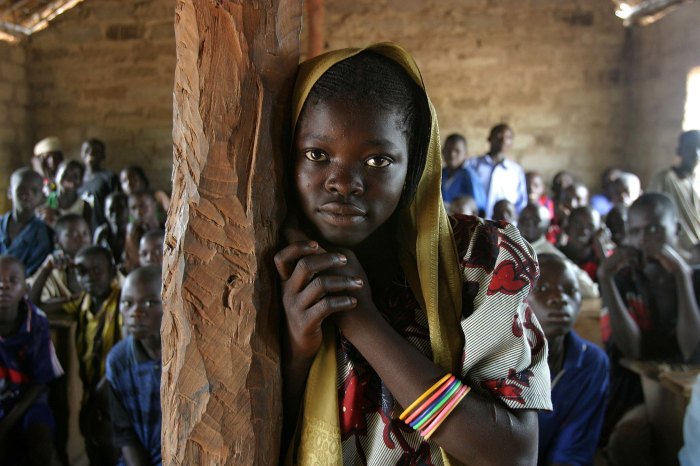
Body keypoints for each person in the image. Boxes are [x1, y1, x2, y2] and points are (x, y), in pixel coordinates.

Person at [275, 44, 550, 465]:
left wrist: (360, 319)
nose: (344, 182)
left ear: (415, 165)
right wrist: (298, 352)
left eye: (377, 160)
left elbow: (514, 453)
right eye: (317, 155)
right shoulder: (269, 267)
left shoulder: (481, 259)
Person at [599, 194, 700, 460]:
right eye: (635, 231)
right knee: (629, 441)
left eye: (655, 229)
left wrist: (682, 276)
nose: (644, 240)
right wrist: (605, 277)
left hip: (691, 387)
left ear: (676, 230)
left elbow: (692, 350)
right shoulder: (625, 279)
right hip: (637, 391)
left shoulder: (694, 276)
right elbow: (631, 348)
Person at [34, 245, 122, 465]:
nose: (90, 277)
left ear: (112, 271)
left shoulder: (122, 301)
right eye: (82, 272)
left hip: (116, 395)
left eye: (97, 270)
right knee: (94, 447)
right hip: (91, 394)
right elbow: (35, 304)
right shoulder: (81, 302)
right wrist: (47, 268)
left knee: (115, 450)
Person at [529, 254, 609, 466]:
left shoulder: (591, 363)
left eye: (570, 291)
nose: (560, 298)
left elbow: (573, 452)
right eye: (543, 289)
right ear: (518, 298)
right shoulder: (495, 358)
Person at [0, 255, 63, 466]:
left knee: (40, 444)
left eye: (12, 280)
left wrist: (6, 424)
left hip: (30, 401)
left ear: (25, 289)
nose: (3, 286)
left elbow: (40, 381)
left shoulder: (36, 322)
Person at [106, 265, 162, 466]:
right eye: (127, 303)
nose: (136, 313)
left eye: (150, 303)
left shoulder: (187, 358)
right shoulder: (118, 360)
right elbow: (124, 433)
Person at [517, 203, 599, 299]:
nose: (528, 224)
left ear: (547, 227)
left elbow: (590, 290)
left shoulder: (550, 254)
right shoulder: (507, 245)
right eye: (524, 219)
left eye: (535, 221)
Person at [648, 130, 700, 259]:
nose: (696, 153)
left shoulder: (696, 184)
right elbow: (650, 214)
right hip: (675, 253)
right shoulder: (664, 178)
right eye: (690, 147)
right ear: (679, 151)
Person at [0, 168, 54, 276]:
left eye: (34, 190)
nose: (27, 194)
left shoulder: (44, 234)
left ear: (42, 197)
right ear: (10, 192)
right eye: (21, 189)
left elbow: (31, 274)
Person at [28, 213, 91, 303]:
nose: (82, 239)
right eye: (73, 235)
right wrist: (46, 269)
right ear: (57, 240)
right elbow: (34, 305)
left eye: (85, 233)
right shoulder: (51, 272)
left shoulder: (100, 266)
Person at [467, 123, 527, 217]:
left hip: (504, 226)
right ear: (489, 138)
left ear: (511, 143)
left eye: (508, 137)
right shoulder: (472, 164)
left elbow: (521, 203)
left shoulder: (516, 171)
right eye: (499, 135)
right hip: (475, 222)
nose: (503, 140)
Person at [36, 159, 93, 228]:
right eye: (65, 174)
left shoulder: (84, 206)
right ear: (56, 176)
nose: (69, 178)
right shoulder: (46, 202)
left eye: (75, 176)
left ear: (81, 182)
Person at [440, 134, 485, 213]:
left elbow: (479, 208)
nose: (452, 154)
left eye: (457, 151)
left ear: (465, 153)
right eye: (448, 150)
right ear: (442, 151)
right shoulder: (441, 173)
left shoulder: (470, 175)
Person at [79, 139, 119, 228]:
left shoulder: (109, 177)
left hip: (100, 227)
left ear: (103, 156)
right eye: (87, 150)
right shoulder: (77, 178)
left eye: (96, 151)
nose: (91, 153)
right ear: (81, 154)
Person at [559, 207, 605, 282]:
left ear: (598, 233)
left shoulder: (599, 263)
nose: (583, 231)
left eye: (590, 227)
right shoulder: (555, 255)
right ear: (567, 227)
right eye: (577, 224)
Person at [124, 192, 161, 272]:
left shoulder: (167, 228)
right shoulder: (133, 235)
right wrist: (130, 238)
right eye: (133, 208)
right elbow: (135, 265)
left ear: (154, 205)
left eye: (143, 206)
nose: (138, 212)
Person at [94, 192, 129, 268]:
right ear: (105, 212)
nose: (116, 213)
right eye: (111, 209)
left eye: (120, 208)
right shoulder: (102, 234)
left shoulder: (135, 232)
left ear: (128, 210)